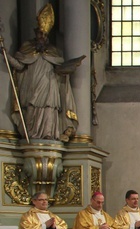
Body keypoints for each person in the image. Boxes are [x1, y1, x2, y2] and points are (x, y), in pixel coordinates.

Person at [6, 4, 84, 142]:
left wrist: (69, 68)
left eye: (43, 34)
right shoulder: (27, 47)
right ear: (35, 33)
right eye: (39, 33)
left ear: (47, 36)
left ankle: (49, 135)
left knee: (49, 108)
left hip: (50, 88)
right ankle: (32, 135)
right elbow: (19, 66)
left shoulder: (54, 51)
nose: (41, 36)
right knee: (32, 108)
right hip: (32, 87)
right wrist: (6, 55)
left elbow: (60, 69)